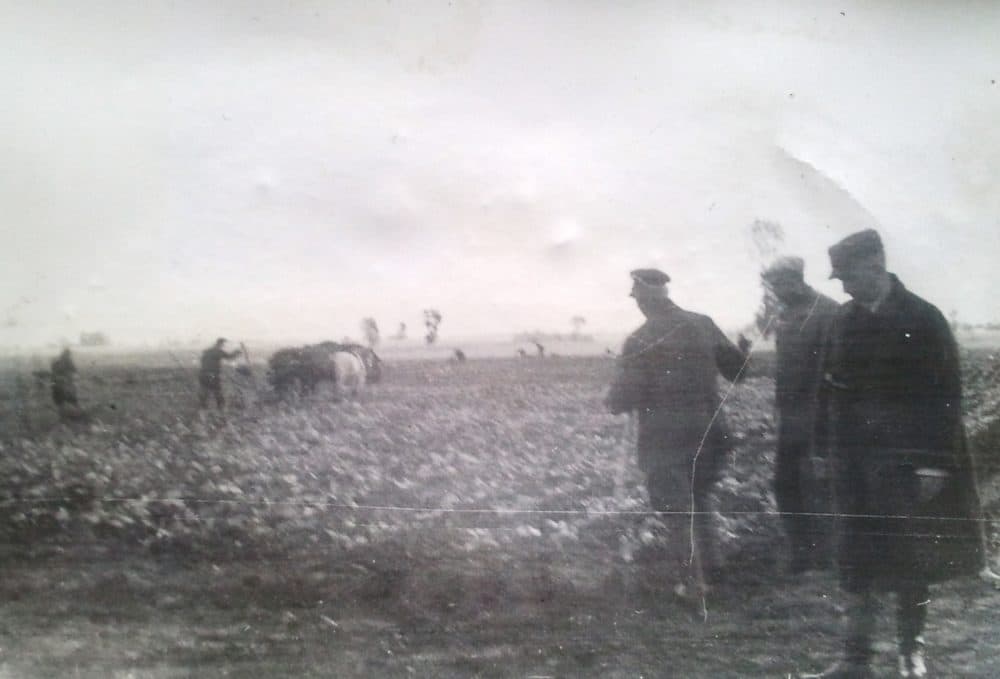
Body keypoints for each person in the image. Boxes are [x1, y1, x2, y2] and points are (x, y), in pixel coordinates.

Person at [802, 230, 986, 679]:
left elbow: (945, 396)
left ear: (876, 265)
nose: (842, 286)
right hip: (854, 460)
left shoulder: (923, 318)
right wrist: (823, 451)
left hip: (906, 461)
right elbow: (827, 390)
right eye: (839, 278)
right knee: (855, 555)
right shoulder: (842, 321)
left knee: (911, 558)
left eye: (847, 275)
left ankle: (910, 655)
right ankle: (855, 659)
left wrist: (933, 462)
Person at [605, 268, 750, 599]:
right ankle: (715, 569)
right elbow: (738, 373)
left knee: (676, 510)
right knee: (701, 497)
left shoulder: (639, 340)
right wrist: (743, 348)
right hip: (710, 431)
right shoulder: (703, 323)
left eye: (637, 298)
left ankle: (692, 583)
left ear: (642, 300)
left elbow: (624, 398)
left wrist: (612, 398)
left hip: (664, 439)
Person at [761, 256, 840, 574]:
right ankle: (801, 552)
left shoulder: (828, 311)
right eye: (772, 285)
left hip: (820, 413)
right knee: (785, 483)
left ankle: (827, 556)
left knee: (819, 483)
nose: (776, 291)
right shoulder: (784, 313)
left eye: (780, 284)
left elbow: (835, 369)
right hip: (790, 414)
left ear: (796, 279)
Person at [198, 338, 243, 410]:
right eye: (223, 345)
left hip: (203, 374)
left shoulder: (207, 351)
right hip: (213, 375)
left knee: (205, 392)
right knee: (217, 393)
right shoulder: (218, 351)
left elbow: (203, 360)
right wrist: (237, 352)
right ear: (221, 344)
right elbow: (229, 357)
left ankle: (203, 410)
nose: (223, 346)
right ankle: (220, 411)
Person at [50, 348, 80, 414]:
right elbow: (74, 371)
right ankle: (75, 412)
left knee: (61, 401)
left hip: (59, 384)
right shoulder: (68, 361)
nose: (69, 356)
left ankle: (66, 413)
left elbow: (53, 374)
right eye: (68, 355)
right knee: (71, 398)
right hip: (63, 384)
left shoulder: (56, 361)